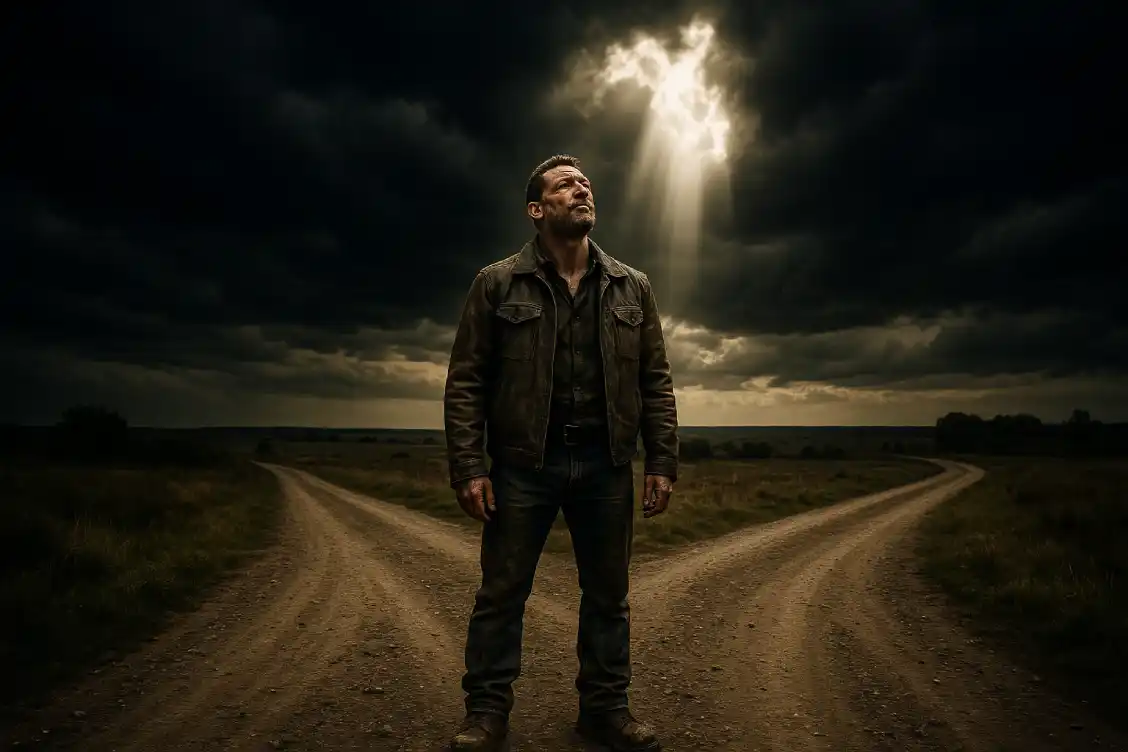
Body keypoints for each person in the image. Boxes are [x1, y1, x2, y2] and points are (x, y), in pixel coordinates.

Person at [443, 154, 679, 752]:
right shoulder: (496, 284)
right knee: (502, 592)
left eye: (585, 183)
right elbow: (466, 380)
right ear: (536, 208)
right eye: (565, 184)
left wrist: (661, 461)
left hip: (606, 464)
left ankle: (605, 711)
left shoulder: (632, 285)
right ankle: (486, 715)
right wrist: (470, 466)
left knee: (608, 595)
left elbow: (656, 380)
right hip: (524, 466)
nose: (581, 189)